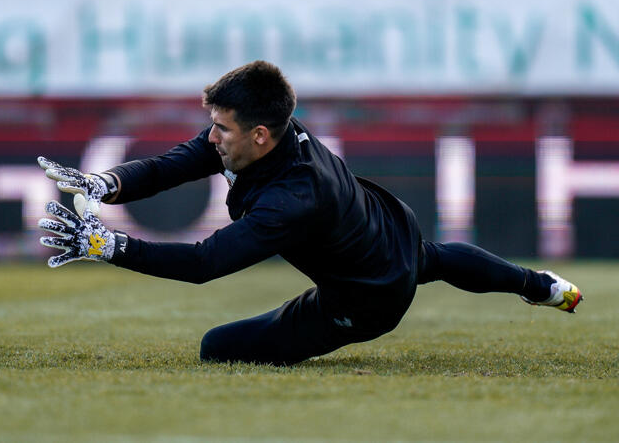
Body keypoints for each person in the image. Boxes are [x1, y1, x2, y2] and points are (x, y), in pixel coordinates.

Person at [37, 60, 583, 366]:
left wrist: (109, 247)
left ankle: (535, 285)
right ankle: (544, 286)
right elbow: (172, 165)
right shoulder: (268, 132)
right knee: (430, 259)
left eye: (221, 128)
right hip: (390, 227)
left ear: (257, 134)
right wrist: (104, 183)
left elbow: (205, 263)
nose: (211, 137)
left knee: (218, 348)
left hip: (369, 298)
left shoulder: (291, 200)